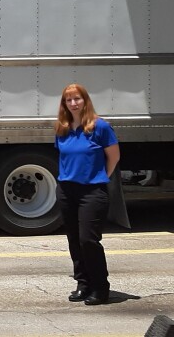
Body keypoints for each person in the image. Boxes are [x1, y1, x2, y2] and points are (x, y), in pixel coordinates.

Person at [55, 83, 120, 306]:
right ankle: (83, 284)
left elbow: (114, 157)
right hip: (66, 189)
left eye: (77, 99)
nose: (73, 103)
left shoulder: (100, 127)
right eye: (68, 100)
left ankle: (100, 287)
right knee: (73, 239)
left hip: (92, 191)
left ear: (85, 101)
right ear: (64, 104)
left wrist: (99, 177)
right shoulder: (62, 128)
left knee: (88, 240)